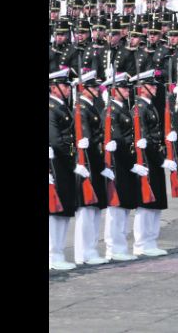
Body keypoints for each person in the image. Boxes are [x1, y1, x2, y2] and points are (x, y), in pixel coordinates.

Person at [130, 69, 176, 257]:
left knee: (156, 204)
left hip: (156, 160)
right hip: (148, 162)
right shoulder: (139, 108)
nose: (155, 88)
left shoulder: (149, 106)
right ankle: (141, 244)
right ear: (141, 89)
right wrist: (161, 160)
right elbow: (145, 139)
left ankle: (151, 241)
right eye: (150, 85)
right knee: (146, 206)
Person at [101, 72, 139, 261]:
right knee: (115, 210)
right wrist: (131, 164)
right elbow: (117, 141)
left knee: (124, 208)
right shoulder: (111, 111)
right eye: (123, 88)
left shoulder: (123, 109)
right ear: (113, 90)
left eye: (127, 88)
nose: (127, 91)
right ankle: (112, 249)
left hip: (126, 164)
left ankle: (121, 247)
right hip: (118, 165)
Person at [73, 71, 109, 265]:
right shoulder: (81, 109)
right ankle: (82, 252)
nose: (97, 89)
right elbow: (86, 139)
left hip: (96, 163)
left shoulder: (91, 106)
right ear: (84, 90)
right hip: (88, 163)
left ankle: (91, 250)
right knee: (86, 212)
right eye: (93, 87)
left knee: (95, 210)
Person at [49, 69, 78, 270]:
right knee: (54, 212)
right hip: (57, 164)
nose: (68, 89)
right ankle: (53, 254)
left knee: (64, 211)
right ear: (54, 87)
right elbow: (56, 141)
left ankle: (58, 252)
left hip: (64, 164)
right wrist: (73, 157)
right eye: (65, 85)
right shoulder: (51, 108)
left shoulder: (61, 107)